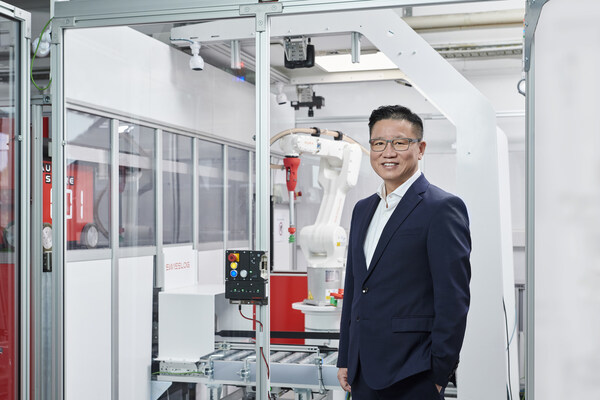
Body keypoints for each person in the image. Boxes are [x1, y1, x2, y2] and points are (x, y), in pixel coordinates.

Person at [336, 105, 471, 399]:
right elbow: (356, 288)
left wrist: (438, 375)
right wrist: (345, 356)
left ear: (420, 149)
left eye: (399, 142)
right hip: (362, 370)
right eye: (378, 143)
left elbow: (453, 300)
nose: (388, 152)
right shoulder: (362, 209)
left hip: (413, 372)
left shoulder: (441, 208)